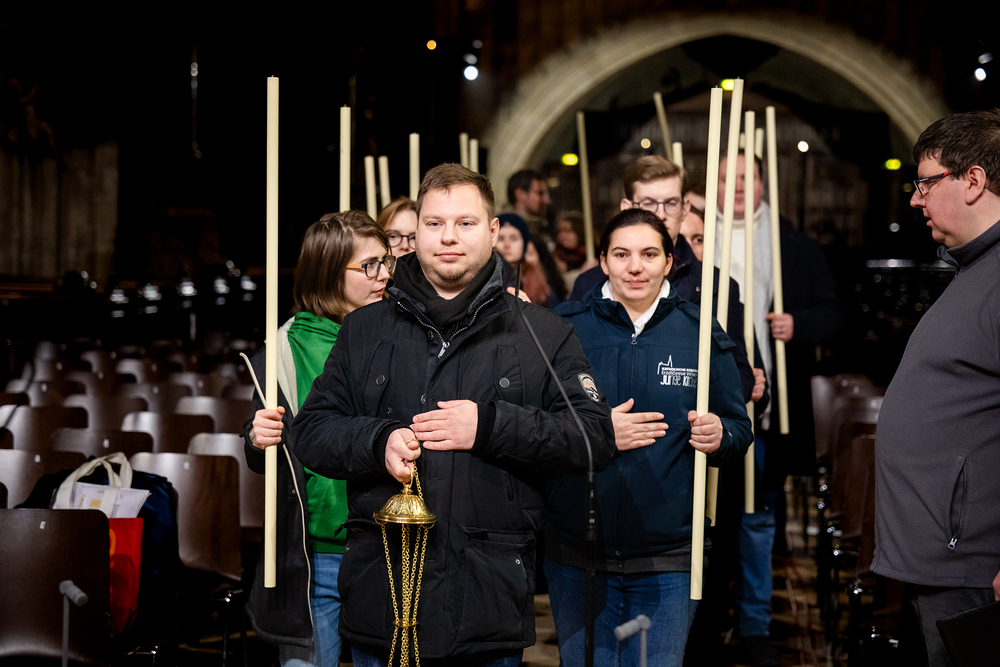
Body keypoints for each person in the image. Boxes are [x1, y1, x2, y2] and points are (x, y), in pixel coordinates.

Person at [291, 163, 616, 666]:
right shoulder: (364, 329)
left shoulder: (542, 334)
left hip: (485, 605)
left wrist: (489, 426)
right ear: (416, 232)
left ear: (492, 231)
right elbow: (312, 431)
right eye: (435, 223)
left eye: (465, 223)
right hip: (384, 594)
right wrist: (378, 441)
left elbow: (592, 436)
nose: (448, 237)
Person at [545, 208, 753, 667]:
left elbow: (740, 428)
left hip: (670, 555)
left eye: (649, 254)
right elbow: (535, 427)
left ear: (669, 261)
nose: (635, 267)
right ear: (603, 261)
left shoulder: (699, 331)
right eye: (621, 254)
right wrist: (600, 433)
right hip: (577, 550)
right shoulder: (564, 329)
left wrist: (720, 434)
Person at [873, 109, 1000, 666]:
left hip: (972, 563)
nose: (915, 199)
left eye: (925, 183)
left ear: (972, 180)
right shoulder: (975, 268)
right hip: (942, 557)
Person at [243, 211, 394, 667]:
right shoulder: (284, 349)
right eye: (369, 265)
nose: (384, 274)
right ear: (329, 272)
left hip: (382, 544)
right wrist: (256, 438)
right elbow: (262, 455)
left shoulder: (394, 334)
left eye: (386, 261)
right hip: (312, 553)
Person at [713, 152, 842, 665]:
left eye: (747, 177)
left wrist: (797, 324)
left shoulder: (794, 245)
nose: (737, 186)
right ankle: (710, 618)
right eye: (726, 177)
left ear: (765, 184)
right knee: (709, 523)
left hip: (769, 408)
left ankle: (755, 624)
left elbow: (833, 314)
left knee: (757, 518)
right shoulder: (695, 242)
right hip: (707, 408)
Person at [506, 168, 551, 238]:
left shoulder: (541, 229)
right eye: (540, 193)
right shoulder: (504, 232)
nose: (547, 201)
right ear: (520, 195)